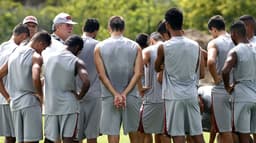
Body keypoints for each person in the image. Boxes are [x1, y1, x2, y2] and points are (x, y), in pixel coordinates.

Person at [155, 8, 205, 143]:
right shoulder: (195, 45)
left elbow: (156, 68)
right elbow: (200, 73)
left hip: (173, 96)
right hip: (191, 94)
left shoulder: (164, 47)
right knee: (197, 133)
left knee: (178, 134)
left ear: (167, 25)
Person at [94, 16, 142, 143]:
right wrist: (124, 94)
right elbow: (138, 74)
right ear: (123, 28)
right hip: (131, 95)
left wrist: (116, 94)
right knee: (134, 133)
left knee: (112, 133)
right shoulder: (135, 46)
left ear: (109, 28)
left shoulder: (99, 47)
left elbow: (101, 75)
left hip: (109, 96)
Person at [0, 31, 51, 143]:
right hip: (30, 103)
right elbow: (35, 75)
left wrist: (7, 97)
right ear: (41, 43)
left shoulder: (13, 54)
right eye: (44, 48)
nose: (43, 51)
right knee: (32, 141)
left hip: (15, 104)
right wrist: (40, 95)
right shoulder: (36, 56)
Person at [43, 35, 90, 143]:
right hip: (69, 105)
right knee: (68, 138)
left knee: (50, 139)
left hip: (51, 104)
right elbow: (86, 81)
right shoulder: (76, 61)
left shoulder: (48, 57)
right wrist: (79, 96)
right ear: (77, 47)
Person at [222, 20, 256, 143]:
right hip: (255, 95)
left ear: (234, 34)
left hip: (242, 97)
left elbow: (225, 71)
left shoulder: (236, 50)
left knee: (242, 135)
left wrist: (227, 87)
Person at [0, 23, 30, 143]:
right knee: (19, 137)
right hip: (13, 98)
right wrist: (8, 97)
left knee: (9, 136)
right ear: (23, 36)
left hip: (2, 99)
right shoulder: (17, 50)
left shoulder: (2, 46)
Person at [138, 32, 170, 143]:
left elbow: (137, 70)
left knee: (145, 132)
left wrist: (140, 87)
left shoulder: (147, 51)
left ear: (151, 41)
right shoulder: (171, 48)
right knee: (164, 133)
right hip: (169, 99)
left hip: (152, 99)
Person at [207, 15, 234, 143]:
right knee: (238, 130)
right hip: (237, 89)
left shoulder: (214, 43)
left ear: (214, 29)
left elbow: (211, 62)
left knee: (225, 130)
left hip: (221, 90)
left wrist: (216, 78)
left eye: (211, 32)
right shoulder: (236, 40)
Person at [76, 18, 101, 143]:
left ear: (83, 28)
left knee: (76, 135)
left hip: (76, 94)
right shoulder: (99, 45)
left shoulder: (72, 43)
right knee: (92, 135)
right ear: (96, 31)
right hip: (94, 93)